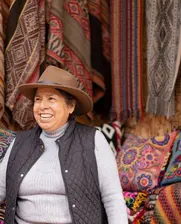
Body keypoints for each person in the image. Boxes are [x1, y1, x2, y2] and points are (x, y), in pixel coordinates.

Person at [0, 65, 128, 224]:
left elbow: (112, 198)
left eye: (51, 99)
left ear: (71, 106)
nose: (42, 106)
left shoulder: (92, 140)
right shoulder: (19, 142)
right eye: (38, 99)